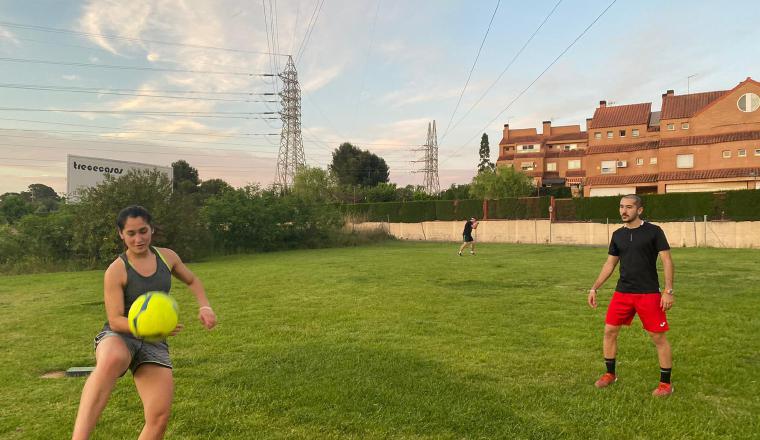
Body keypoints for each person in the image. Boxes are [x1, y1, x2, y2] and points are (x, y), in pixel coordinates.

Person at [72, 206, 217, 439]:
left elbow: (192, 280)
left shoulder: (167, 257)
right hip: (120, 335)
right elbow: (116, 320)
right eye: (131, 233)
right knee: (112, 359)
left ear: (151, 229)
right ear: (121, 234)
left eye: (143, 231)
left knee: (158, 418)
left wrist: (205, 306)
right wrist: (149, 327)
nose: (138, 239)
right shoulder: (116, 270)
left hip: (154, 343)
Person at [587, 195, 674, 397]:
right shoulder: (618, 235)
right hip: (623, 292)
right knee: (609, 331)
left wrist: (668, 290)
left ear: (639, 210)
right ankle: (610, 374)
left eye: (628, 207)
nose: (623, 211)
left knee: (658, 337)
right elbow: (610, 264)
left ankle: (665, 385)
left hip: (648, 293)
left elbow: (667, 261)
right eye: (621, 207)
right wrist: (594, 287)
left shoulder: (654, 231)